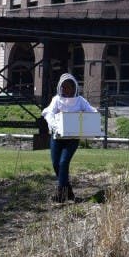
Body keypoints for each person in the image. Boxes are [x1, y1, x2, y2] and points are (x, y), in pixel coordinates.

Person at [41, 73, 98, 202]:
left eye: (67, 87)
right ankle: (69, 193)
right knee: (56, 164)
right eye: (63, 87)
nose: (65, 90)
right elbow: (48, 112)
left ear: (74, 88)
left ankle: (60, 194)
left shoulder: (80, 101)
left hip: (72, 138)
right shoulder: (56, 99)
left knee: (63, 162)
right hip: (57, 137)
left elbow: (90, 110)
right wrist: (53, 123)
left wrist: (93, 115)